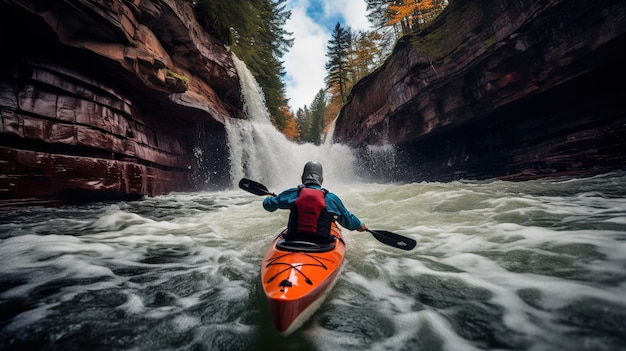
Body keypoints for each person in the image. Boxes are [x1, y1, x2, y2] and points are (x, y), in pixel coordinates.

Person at [263, 161, 367, 243]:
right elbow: (346, 218)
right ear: (320, 178)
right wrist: (359, 225)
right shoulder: (330, 198)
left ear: (303, 177)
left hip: (293, 240)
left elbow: (268, 206)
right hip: (322, 243)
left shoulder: (293, 193)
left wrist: (268, 198)